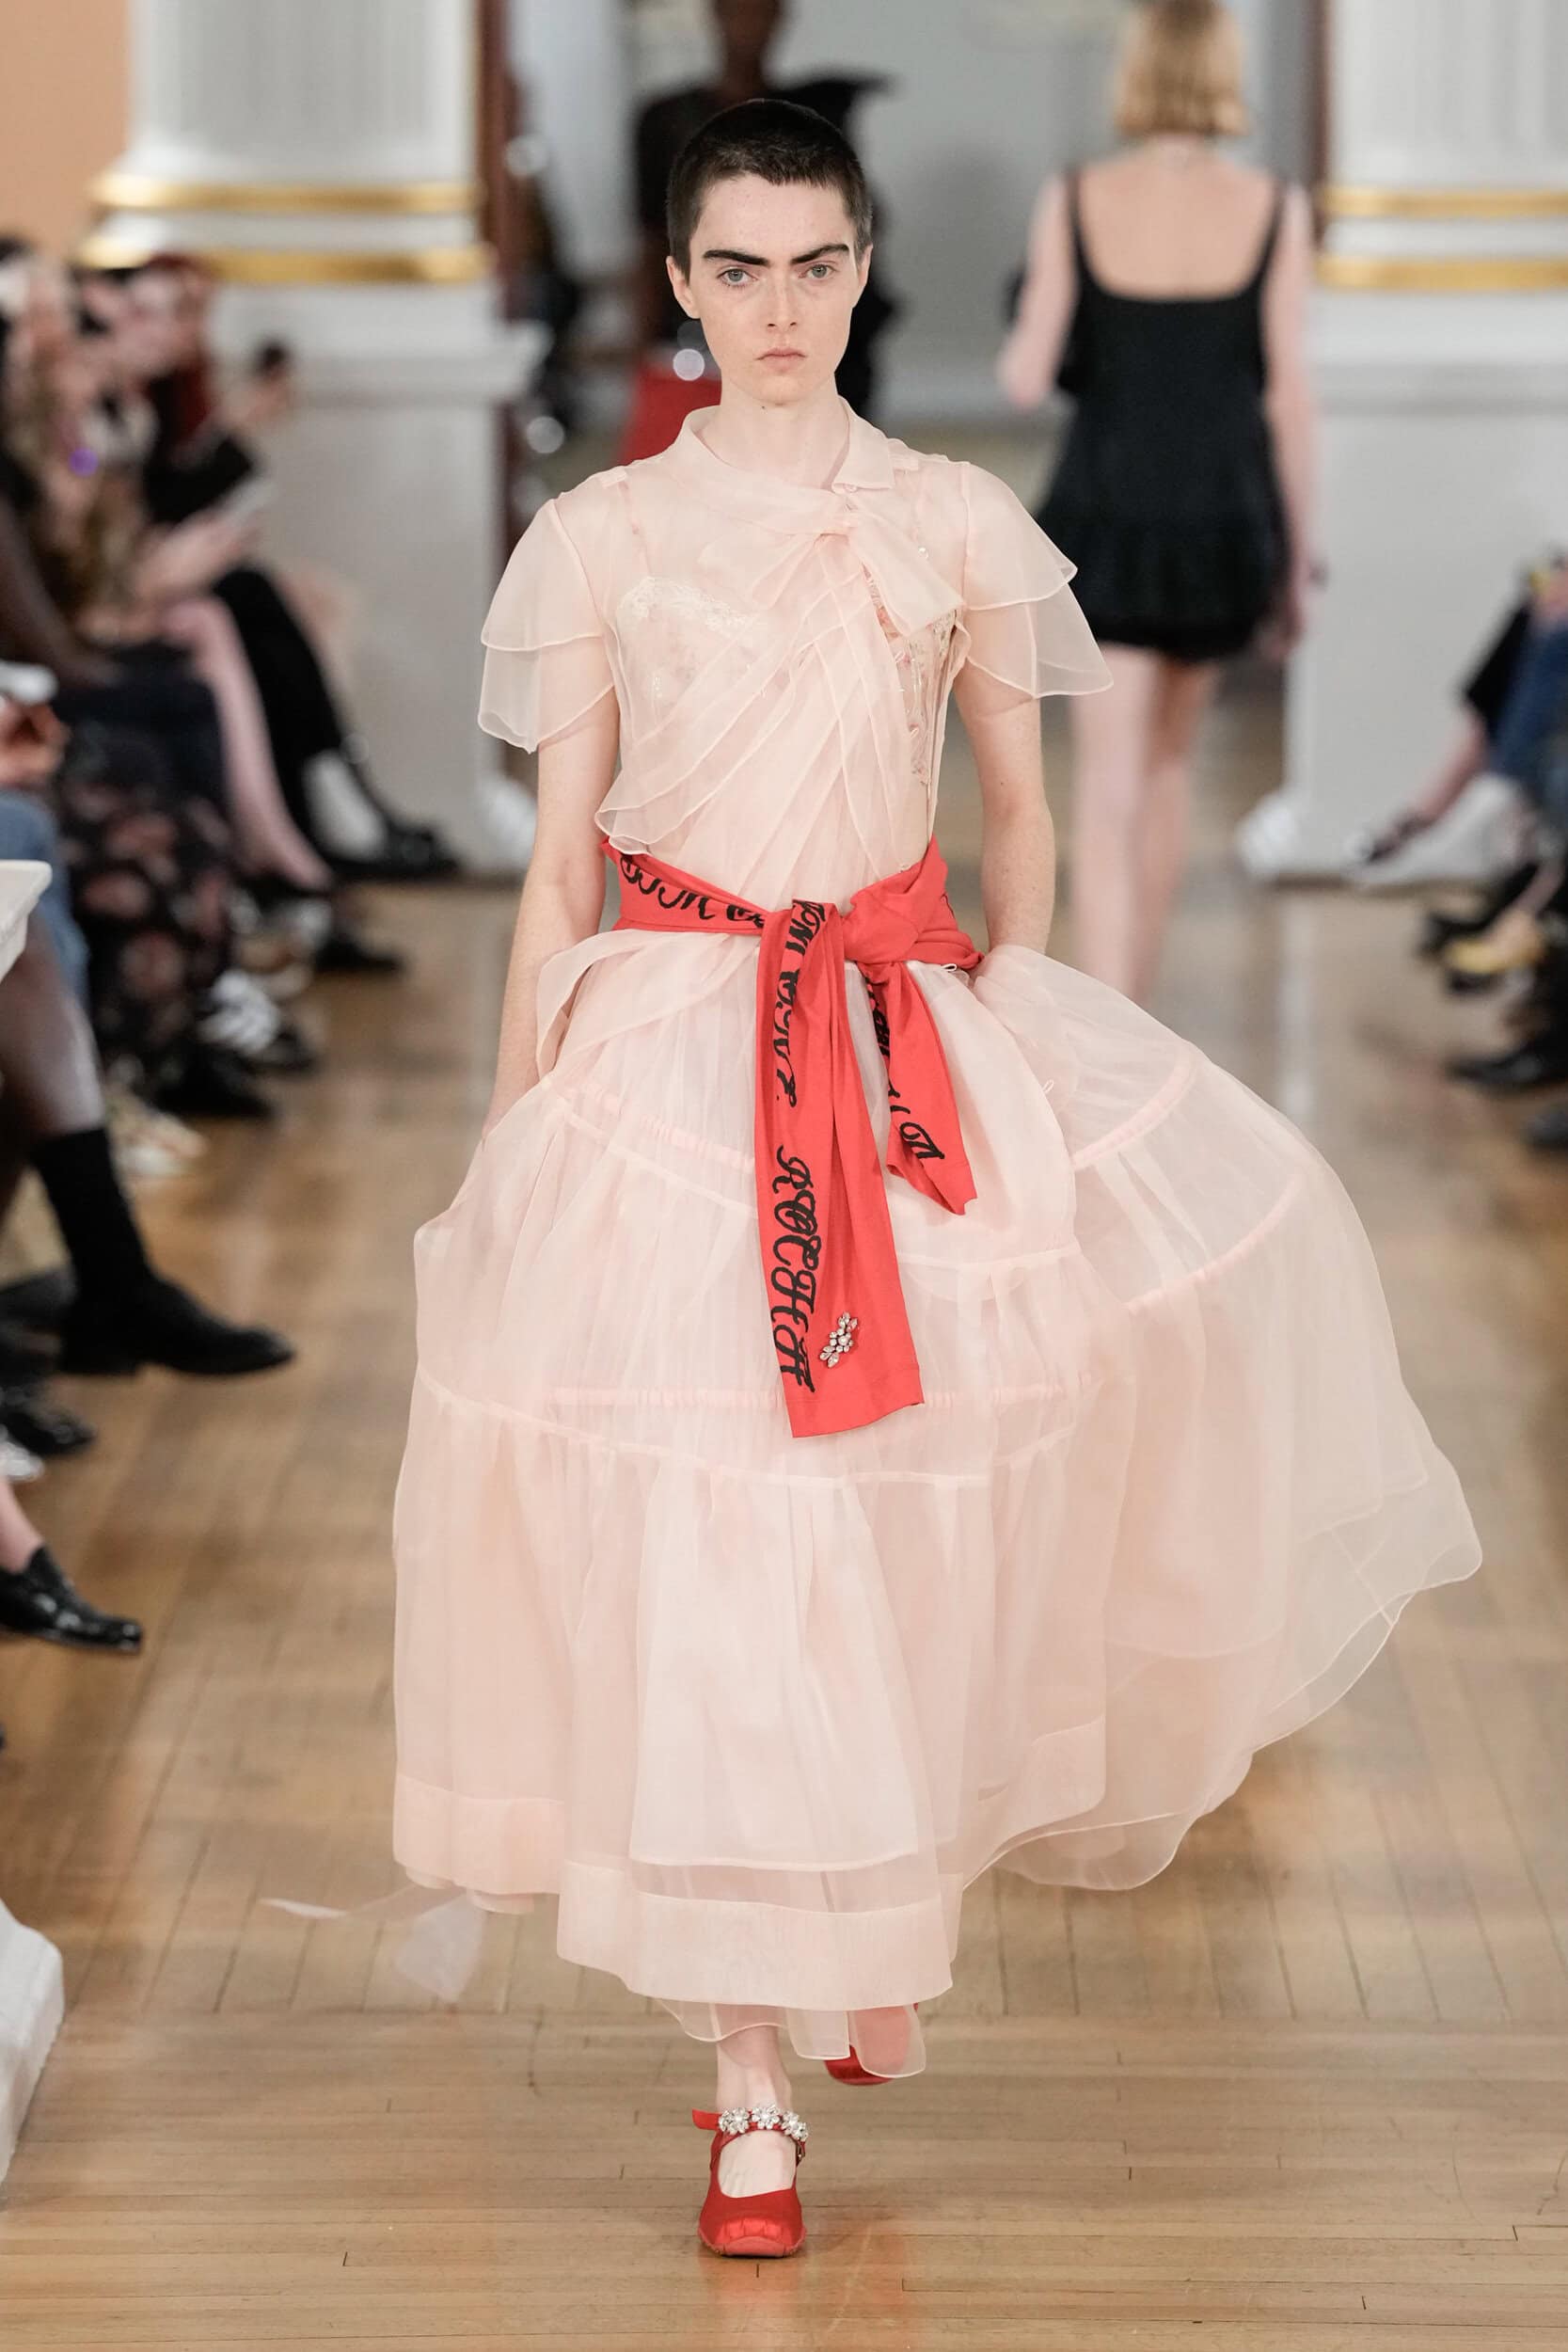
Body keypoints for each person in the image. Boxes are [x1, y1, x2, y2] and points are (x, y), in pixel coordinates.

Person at [389, 100, 1477, 2262]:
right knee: (715, 1528)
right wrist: (512, 1129)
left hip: (893, 1039)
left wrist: (1021, 1026)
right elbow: (562, 865)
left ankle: (860, 1903)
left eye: (815, 264)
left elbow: (1021, 811)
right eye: (737, 269)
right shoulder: (601, 537)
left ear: (861, 272)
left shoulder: (959, 520)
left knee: (901, 1509)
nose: (778, 306)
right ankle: (750, 2084)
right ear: (681, 288)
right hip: (669, 1048)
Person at [997, 0, 1315, 1001]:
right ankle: (1134, 1001)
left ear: (1132, 70)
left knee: (1106, 784)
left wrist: (1038, 307)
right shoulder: (1273, 207)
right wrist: (1296, 560)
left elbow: (1023, 377)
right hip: (1221, 514)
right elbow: (1288, 400)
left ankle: (1108, 1015)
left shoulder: (1075, 197)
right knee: (1171, 767)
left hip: (1107, 509)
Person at [628, 0, 898, 453]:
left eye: (761, 12)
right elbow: (652, 235)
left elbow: (860, 218)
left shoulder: (812, 114)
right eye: (739, 12)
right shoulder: (667, 120)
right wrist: (643, 344)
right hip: (696, 333)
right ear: (716, 16)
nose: (749, 26)